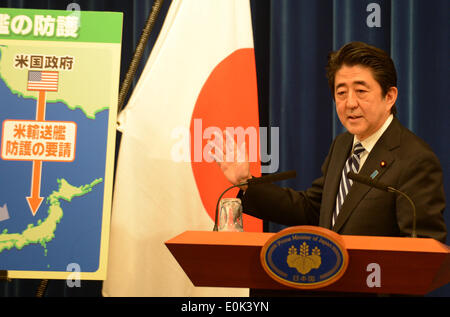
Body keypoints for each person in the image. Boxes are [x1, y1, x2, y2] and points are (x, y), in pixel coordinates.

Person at [214, 41, 447, 243]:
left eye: (361, 91)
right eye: (341, 93)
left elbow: (423, 252)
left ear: (389, 97)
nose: (350, 103)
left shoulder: (415, 160)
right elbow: (313, 209)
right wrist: (246, 183)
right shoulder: (343, 144)